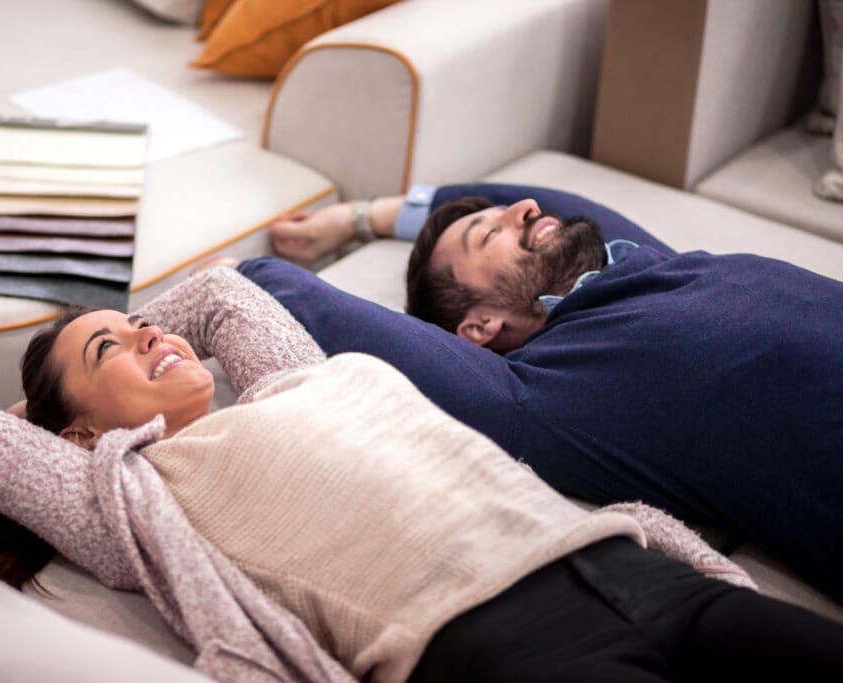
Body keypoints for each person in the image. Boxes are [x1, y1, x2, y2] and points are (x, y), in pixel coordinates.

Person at [0, 266, 843, 682]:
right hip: (498, 646)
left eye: (143, 325)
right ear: (80, 434)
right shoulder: (131, 493)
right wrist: (48, 427)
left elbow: (219, 293)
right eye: (111, 352)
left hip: (639, 572)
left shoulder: (298, 376)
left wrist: (117, 352)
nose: (150, 333)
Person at [240, 182, 843, 603]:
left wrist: (360, 217)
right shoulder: (549, 391)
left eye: (507, 211)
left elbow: (552, 200)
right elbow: (275, 283)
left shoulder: (647, 264)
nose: (526, 209)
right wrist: (259, 260)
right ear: (478, 328)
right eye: (489, 234)